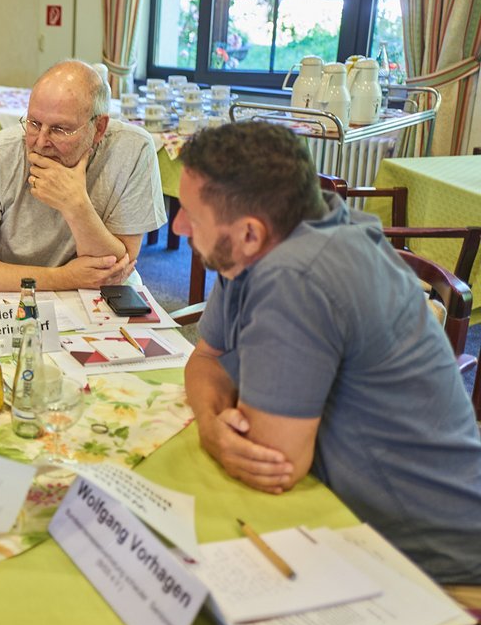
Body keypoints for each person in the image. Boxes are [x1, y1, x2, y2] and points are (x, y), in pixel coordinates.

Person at [175, 121, 481, 594]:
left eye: (192, 216)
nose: (178, 226)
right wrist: (213, 419)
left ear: (250, 233)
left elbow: (272, 461)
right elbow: (206, 359)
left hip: (429, 564)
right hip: (360, 520)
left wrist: (215, 433)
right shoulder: (281, 234)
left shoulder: (295, 275)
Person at [0, 59, 165, 291]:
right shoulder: (0, 152)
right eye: (34, 123)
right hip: (10, 294)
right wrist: (64, 278)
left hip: (100, 297)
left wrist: (75, 205)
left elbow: (115, 271)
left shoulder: (133, 148)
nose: (40, 143)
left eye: (60, 130)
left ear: (99, 128)